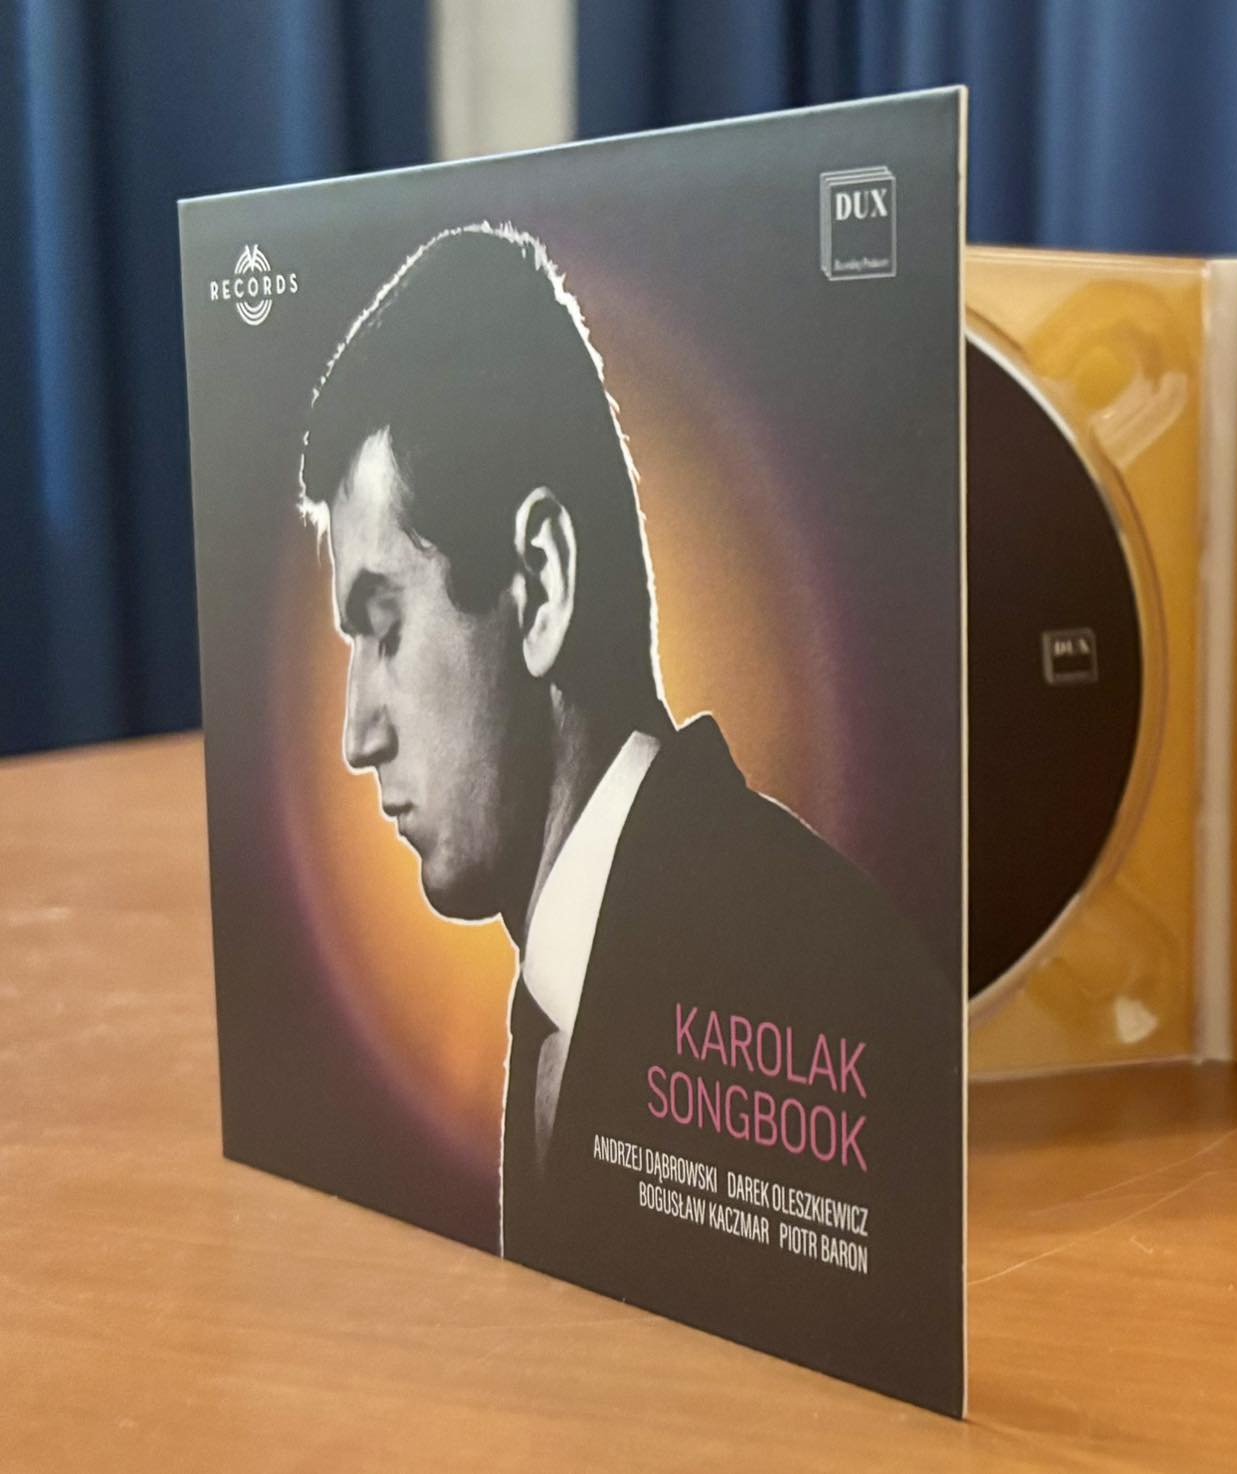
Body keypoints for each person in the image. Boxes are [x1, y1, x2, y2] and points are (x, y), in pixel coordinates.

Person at [294, 224, 954, 1293]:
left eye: (386, 626)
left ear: (541, 585)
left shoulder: (813, 972)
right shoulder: (572, 988)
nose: (356, 735)